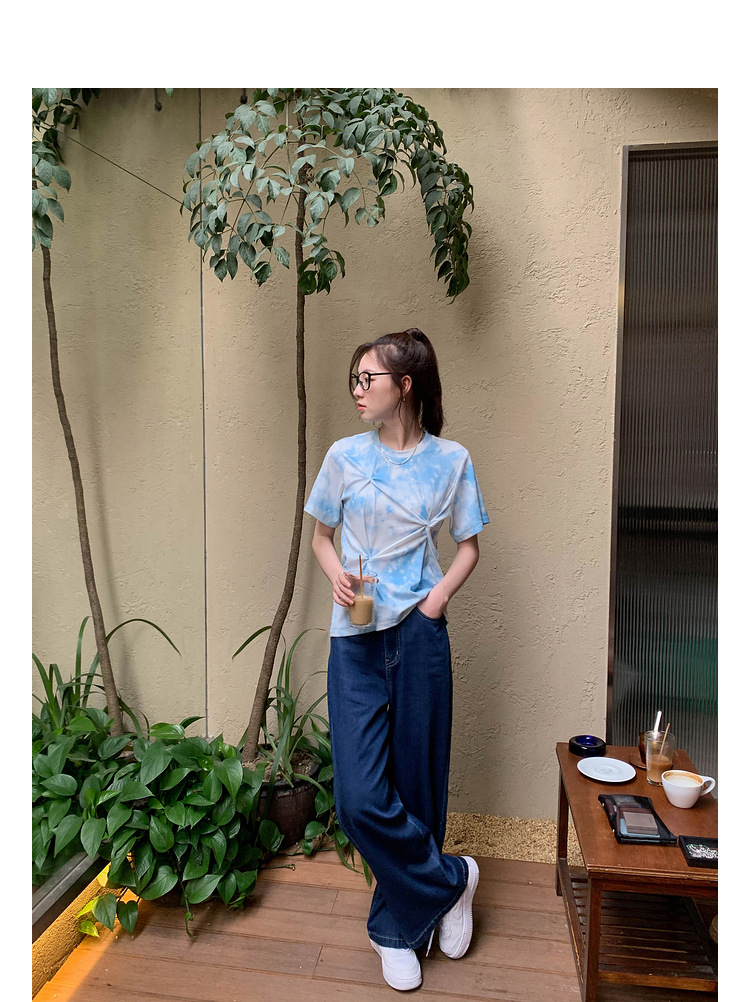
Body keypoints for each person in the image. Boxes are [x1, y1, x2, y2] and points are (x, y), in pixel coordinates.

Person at [304, 328, 489, 991]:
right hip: (355, 636)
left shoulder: (451, 461)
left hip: (418, 633)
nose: (357, 390)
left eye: (369, 379)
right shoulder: (344, 456)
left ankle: (394, 929)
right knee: (359, 799)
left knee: (418, 782)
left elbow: (469, 546)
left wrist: (435, 601)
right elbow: (321, 537)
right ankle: (452, 881)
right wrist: (336, 576)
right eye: (354, 379)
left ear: (404, 386)